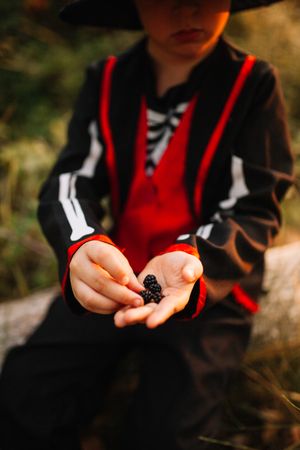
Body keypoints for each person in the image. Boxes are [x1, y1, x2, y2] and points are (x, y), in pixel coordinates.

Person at [0, 0, 294, 449]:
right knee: (27, 391)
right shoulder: (108, 80)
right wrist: (81, 243)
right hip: (114, 268)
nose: (187, 12)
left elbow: (254, 204)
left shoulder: (253, 83)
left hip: (207, 285)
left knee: (174, 430)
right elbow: (70, 179)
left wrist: (196, 257)